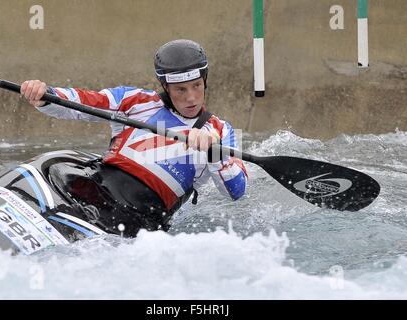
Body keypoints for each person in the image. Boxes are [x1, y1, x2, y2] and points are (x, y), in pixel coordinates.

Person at [20, 39, 248, 237]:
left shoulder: (222, 131)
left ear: (204, 80)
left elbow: (236, 191)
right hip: (96, 192)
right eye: (180, 90)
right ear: (165, 86)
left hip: (144, 221)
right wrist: (45, 95)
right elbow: (80, 103)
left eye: (197, 86)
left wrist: (214, 152)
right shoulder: (135, 101)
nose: (191, 98)